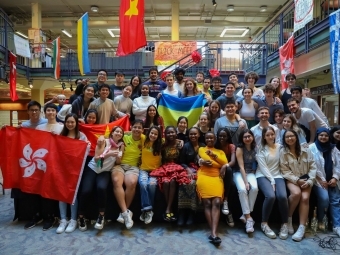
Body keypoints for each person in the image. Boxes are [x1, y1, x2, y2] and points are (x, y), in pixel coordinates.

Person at [78, 126, 125, 231]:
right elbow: (96, 159)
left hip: (105, 171)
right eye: (116, 131)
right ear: (112, 133)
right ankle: (81, 217)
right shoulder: (103, 141)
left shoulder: (121, 146)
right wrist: (109, 154)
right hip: (93, 168)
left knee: (102, 188)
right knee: (86, 190)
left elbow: (118, 162)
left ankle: (101, 216)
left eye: (121, 133)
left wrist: (118, 159)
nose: (119, 133)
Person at [280, 129, 316, 242]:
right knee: (296, 194)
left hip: (306, 178)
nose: (290, 138)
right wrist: (296, 180)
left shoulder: (306, 149)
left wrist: (310, 181)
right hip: (292, 179)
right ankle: (288, 219)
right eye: (287, 137)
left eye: (292, 136)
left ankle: (301, 227)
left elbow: (313, 166)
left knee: (305, 198)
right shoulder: (283, 152)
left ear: (296, 137)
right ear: (284, 140)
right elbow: (284, 170)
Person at [56, 113, 88, 234]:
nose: (70, 124)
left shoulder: (82, 136)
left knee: (72, 195)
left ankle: (73, 219)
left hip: (75, 170)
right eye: (68, 122)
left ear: (76, 123)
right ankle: (63, 219)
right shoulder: (61, 136)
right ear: (65, 123)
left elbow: (84, 153)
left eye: (72, 122)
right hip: (62, 169)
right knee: (61, 194)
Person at [256, 127, 289, 239]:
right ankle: (264, 223)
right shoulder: (261, 150)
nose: (270, 137)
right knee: (270, 196)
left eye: (272, 134)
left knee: (282, 196)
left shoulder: (280, 147)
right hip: (263, 175)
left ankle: (284, 224)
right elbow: (263, 168)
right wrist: (272, 181)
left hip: (277, 175)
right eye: (268, 135)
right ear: (264, 137)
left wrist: (275, 179)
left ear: (275, 135)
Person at [150, 126, 188, 222]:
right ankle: (169, 209)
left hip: (176, 167)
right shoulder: (162, 144)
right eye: (168, 133)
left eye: (172, 132)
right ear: (165, 135)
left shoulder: (180, 144)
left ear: (176, 133)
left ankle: (168, 209)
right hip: (165, 168)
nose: (171, 134)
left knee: (173, 181)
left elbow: (182, 159)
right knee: (166, 182)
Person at [196, 132, 228, 246]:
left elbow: (225, 162)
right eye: (208, 137)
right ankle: (214, 233)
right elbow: (207, 160)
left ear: (215, 139)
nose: (209, 139)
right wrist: (218, 163)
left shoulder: (220, 151)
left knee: (217, 202)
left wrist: (214, 157)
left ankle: (213, 233)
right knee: (207, 203)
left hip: (216, 177)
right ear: (205, 139)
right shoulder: (201, 149)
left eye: (212, 138)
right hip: (204, 176)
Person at [112, 120, 145, 229]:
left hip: (133, 167)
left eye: (139, 128)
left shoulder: (144, 139)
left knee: (132, 182)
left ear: (142, 130)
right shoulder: (124, 136)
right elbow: (110, 135)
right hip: (119, 165)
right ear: (131, 128)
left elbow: (159, 138)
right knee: (117, 181)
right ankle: (126, 213)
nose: (137, 129)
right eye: (135, 127)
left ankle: (123, 213)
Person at [309, 127, 340, 236]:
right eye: (321, 135)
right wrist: (321, 180)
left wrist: (335, 178)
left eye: (326, 135)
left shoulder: (334, 148)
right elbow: (311, 166)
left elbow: (338, 165)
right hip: (318, 180)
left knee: (335, 200)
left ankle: (337, 226)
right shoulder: (312, 148)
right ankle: (320, 219)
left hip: (332, 180)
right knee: (324, 198)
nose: (323, 137)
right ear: (317, 135)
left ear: (329, 137)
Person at [177, 127, 205, 226]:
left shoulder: (203, 146)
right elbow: (182, 162)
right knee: (185, 182)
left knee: (196, 184)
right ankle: (182, 213)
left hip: (201, 171)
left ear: (199, 135)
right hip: (188, 169)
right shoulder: (186, 146)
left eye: (195, 134)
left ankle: (192, 213)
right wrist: (188, 170)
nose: (193, 136)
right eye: (191, 134)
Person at [235, 129, 259, 234]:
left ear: (252, 137)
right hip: (239, 173)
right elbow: (241, 167)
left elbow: (257, 162)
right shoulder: (240, 148)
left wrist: (253, 171)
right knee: (242, 189)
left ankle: (245, 214)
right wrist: (245, 182)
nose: (247, 138)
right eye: (245, 137)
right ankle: (249, 219)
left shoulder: (256, 147)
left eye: (249, 136)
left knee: (254, 188)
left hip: (251, 173)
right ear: (242, 139)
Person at [139, 126, 163, 224]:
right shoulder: (143, 139)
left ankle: (147, 210)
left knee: (152, 185)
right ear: (148, 133)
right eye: (152, 133)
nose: (153, 135)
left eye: (155, 134)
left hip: (155, 171)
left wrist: (180, 141)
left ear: (158, 136)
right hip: (143, 169)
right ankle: (149, 210)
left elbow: (174, 139)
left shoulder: (161, 143)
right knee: (143, 184)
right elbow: (130, 132)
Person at [214, 128, 236, 227]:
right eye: (220, 136)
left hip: (228, 172)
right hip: (215, 171)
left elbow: (232, 162)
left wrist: (224, 166)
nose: (222, 138)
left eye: (224, 136)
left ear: (228, 137)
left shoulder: (231, 146)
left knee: (232, 185)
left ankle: (227, 206)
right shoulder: (215, 146)